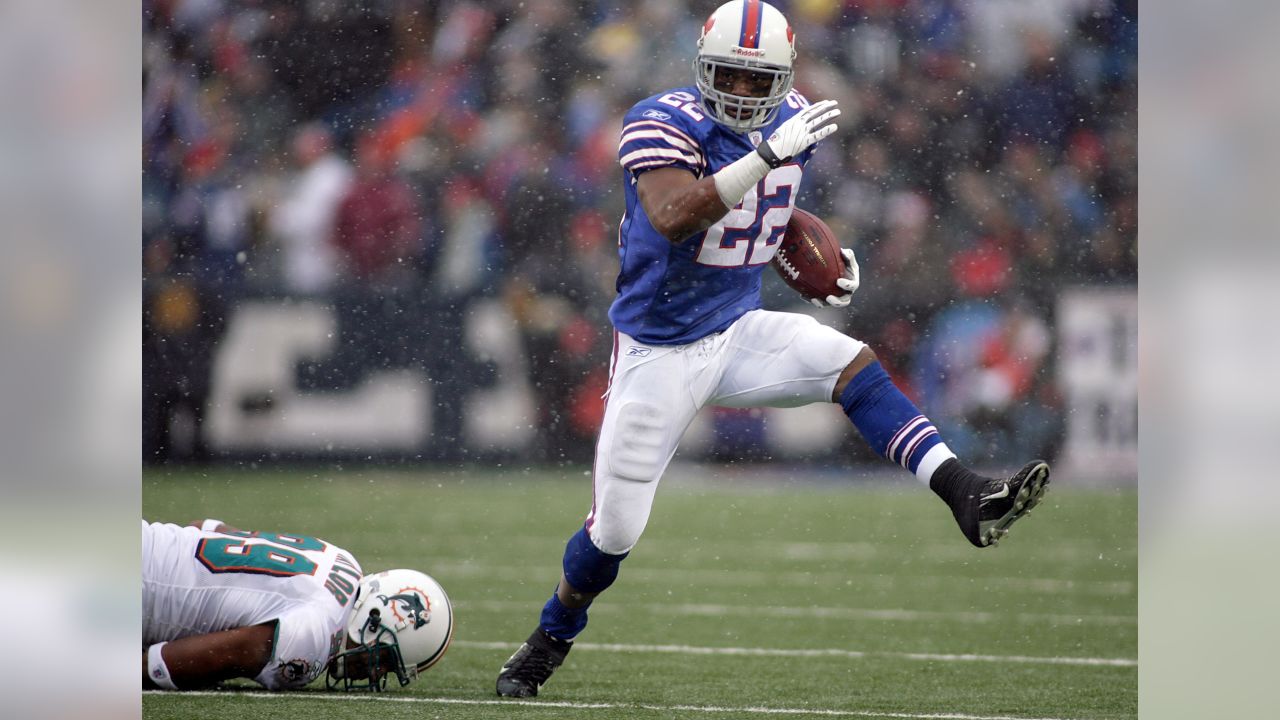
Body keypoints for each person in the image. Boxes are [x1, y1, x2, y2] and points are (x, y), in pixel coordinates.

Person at [495, 0, 1051, 699]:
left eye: (762, 81)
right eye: (732, 76)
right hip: (659, 350)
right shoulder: (662, 122)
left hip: (737, 328)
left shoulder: (795, 125)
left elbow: (770, 209)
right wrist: (764, 155)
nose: (746, 93)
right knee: (613, 535)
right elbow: (673, 216)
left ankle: (966, 493)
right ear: (703, 70)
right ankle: (549, 638)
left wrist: (817, 255)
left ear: (786, 78)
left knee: (848, 361)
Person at [142, 518, 452, 691]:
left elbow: (209, 528)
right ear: (375, 617)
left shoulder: (343, 560)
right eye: (385, 659)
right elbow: (214, 656)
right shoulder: (317, 634)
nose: (375, 674)